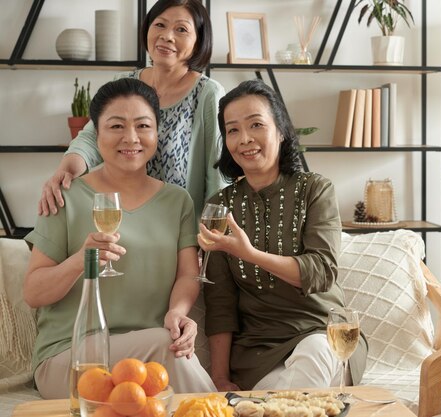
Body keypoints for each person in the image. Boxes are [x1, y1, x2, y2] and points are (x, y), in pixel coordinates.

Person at [23, 78, 216, 398]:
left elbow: (187, 274)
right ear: (95, 134)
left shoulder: (178, 201)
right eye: (116, 126)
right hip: (71, 358)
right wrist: (80, 261)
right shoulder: (64, 197)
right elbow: (33, 292)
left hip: (148, 359)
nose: (131, 138)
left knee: (164, 348)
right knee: (165, 346)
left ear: (156, 133)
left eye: (143, 125)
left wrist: (178, 313)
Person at [198, 79, 368, 391]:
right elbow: (220, 301)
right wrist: (220, 378)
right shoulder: (220, 207)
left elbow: (322, 272)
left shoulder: (315, 190)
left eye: (256, 125)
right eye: (233, 130)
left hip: (324, 335)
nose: (245, 139)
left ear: (281, 131)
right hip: (258, 355)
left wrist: (249, 254)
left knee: (312, 360)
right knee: (285, 399)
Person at [39, 0, 225, 221]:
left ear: (199, 41)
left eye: (181, 29)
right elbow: (91, 136)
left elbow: (217, 176)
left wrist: (211, 237)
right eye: (160, 25)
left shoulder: (208, 94)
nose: (167, 36)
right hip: (119, 220)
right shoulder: (125, 82)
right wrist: (66, 171)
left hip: (179, 232)